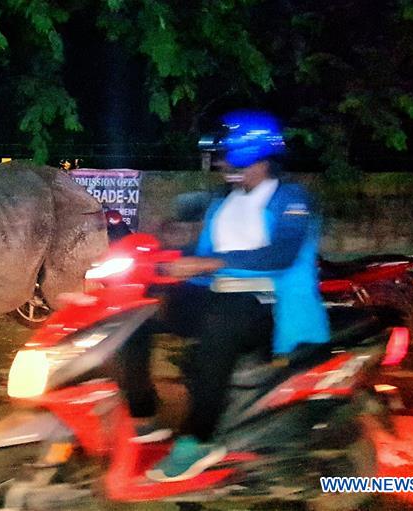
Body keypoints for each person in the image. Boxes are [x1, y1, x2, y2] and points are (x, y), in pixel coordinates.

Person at [115, 110, 330, 482]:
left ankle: (199, 439)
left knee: (218, 331)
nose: (222, 164)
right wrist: (158, 263)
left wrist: (209, 263)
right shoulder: (223, 201)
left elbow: (279, 254)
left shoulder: (292, 198)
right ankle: (145, 415)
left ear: (257, 158)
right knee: (135, 314)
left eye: (229, 157)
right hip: (217, 293)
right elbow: (199, 254)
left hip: (267, 304)